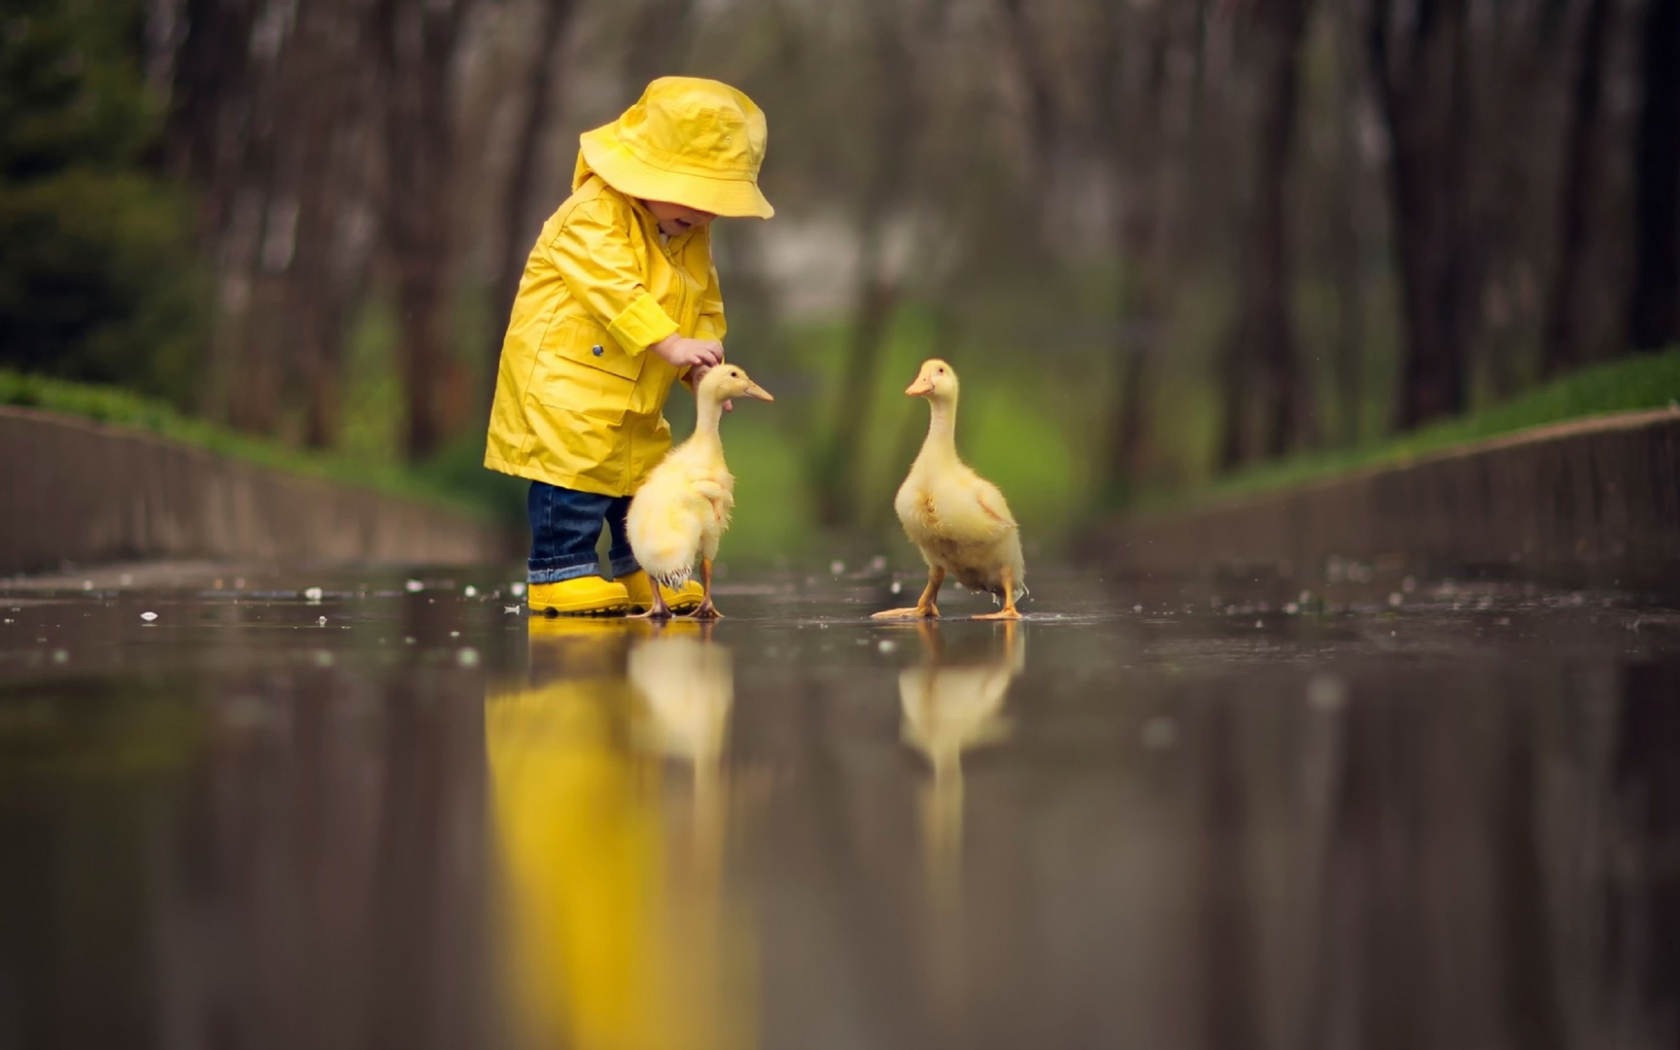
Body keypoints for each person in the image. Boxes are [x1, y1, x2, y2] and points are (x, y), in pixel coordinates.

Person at [484, 77, 773, 615]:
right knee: (573, 478)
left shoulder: (687, 235)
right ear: (643, 170)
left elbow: (706, 302)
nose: (704, 214)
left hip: (638, 389)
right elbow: (614, 287)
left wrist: (700, 364)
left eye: (716, 204)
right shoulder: (591, 214)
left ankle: (650, 571)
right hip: (567, 385)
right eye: (694, 196)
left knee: (645, 484)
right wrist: (668, 340)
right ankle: (558, 571)